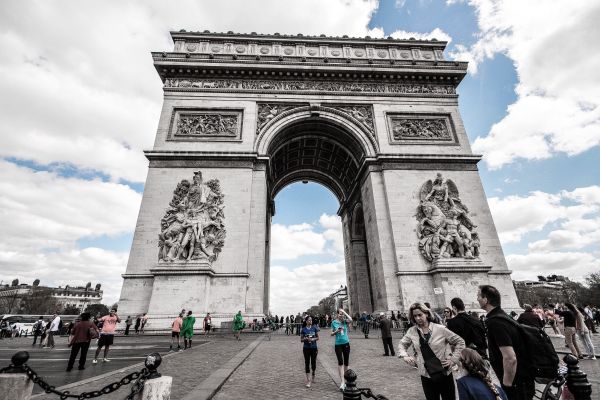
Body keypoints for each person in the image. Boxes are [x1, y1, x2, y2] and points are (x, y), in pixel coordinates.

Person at [399, 302, 465, 400]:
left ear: (426, 313)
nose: (417, 318)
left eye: (420, 315)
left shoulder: (440, 329)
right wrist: (405, 355)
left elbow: (460, 342)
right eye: (415, 316)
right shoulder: (412, 331)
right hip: (425, 374)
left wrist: (453, 359)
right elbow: (402, 344)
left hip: (444, 373)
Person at [478, 285, 534, 400]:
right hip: (522, 378)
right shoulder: (504, 317)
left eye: (479, 296)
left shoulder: (495, 322)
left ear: (486, 300)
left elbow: (510, 357)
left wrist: (507, 384)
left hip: (515, 383)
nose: (477, 299)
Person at [331, 308, 352, 391]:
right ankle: (342, 382)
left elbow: (350, 319)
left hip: (346, 343)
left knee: (346, 363)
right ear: (337, 314)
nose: (341, 315)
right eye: (340, 314)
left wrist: (345, 312)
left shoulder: (345, 321)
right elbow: (331, 333)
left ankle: (347, 381)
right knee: (340, 362)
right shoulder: (334, 322)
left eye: (342, 314)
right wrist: (336, 331)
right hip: (338, 344)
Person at [301, 315, 319, 388]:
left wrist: (312, 339)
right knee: (307, 363)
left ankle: (313, 374)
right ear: (306, 321)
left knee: (313, 362)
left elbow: (318, 337)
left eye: (311, 320)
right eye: (309, 320)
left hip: (314, 347)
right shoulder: (303, 329)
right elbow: (301, 340)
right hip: (306, 348)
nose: (310, 321)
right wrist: (306, 339)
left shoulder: (314, 328)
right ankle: (308, 380)